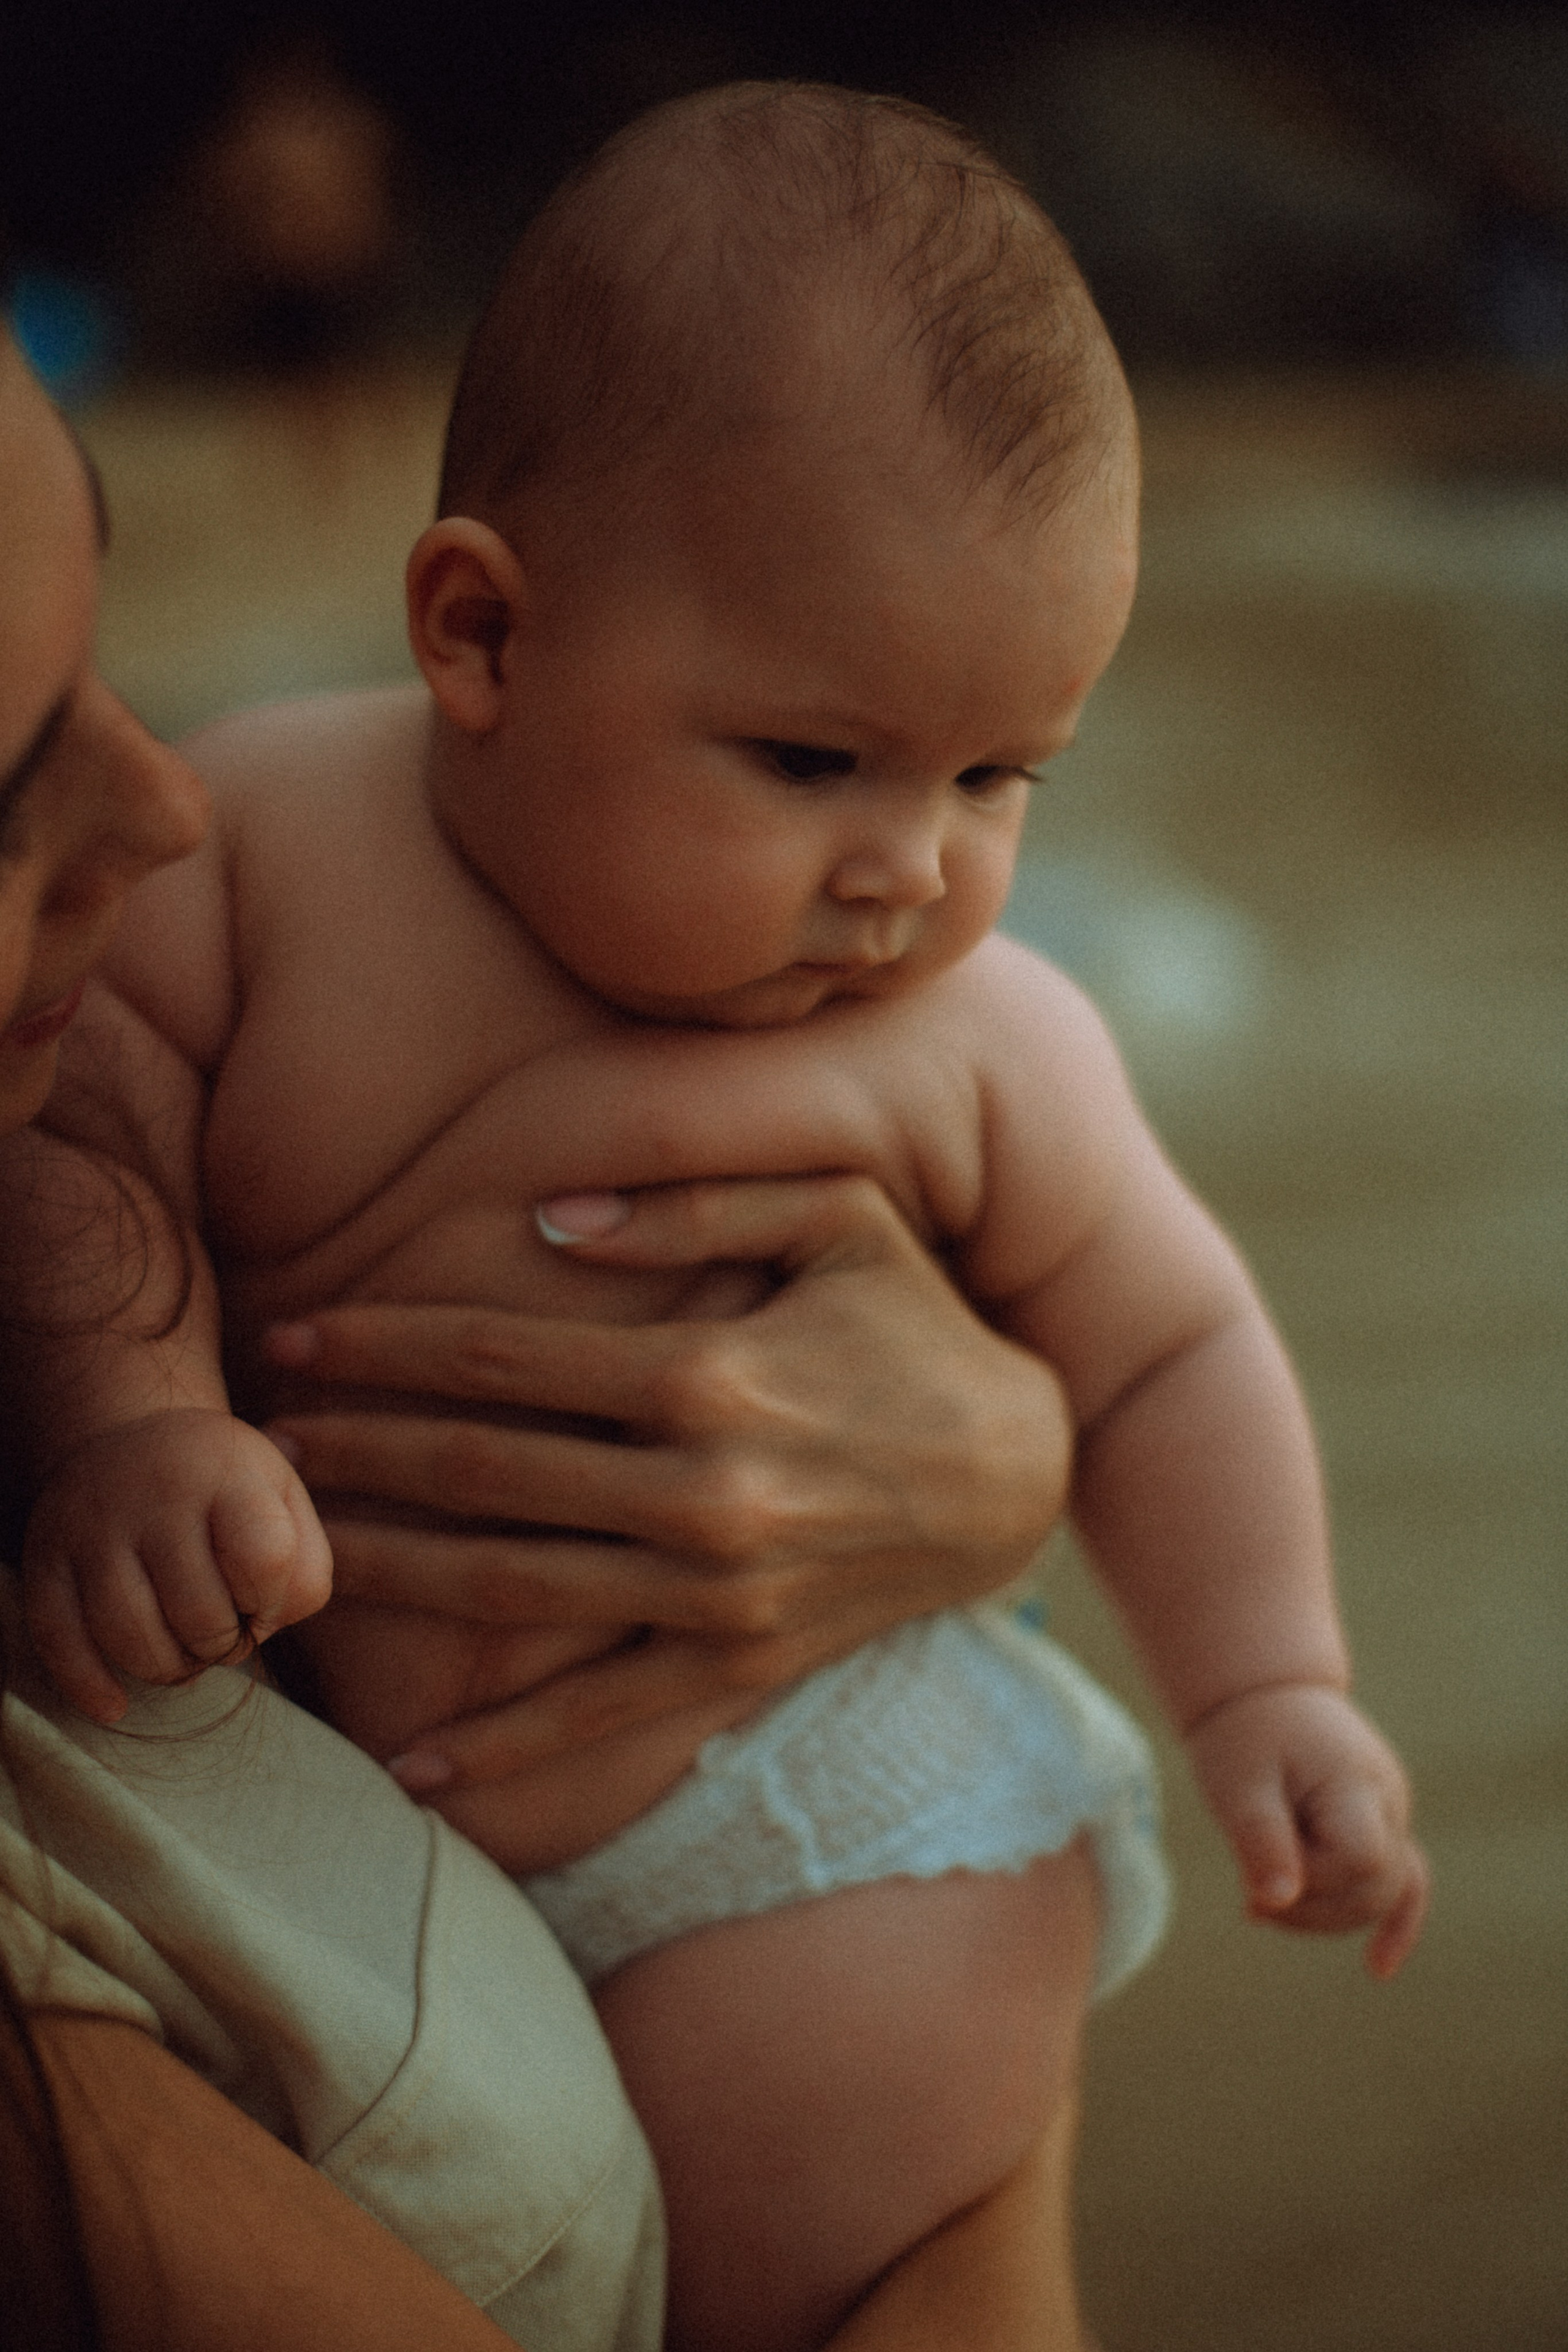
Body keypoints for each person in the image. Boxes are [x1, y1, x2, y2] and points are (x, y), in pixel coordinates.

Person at [6, 82, 1430, 2352]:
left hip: (813, 1826)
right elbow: (86, 1136)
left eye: (998, 777)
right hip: (383, 1838)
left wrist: (1272, 1684)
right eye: (812, 760)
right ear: (481, 638)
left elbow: (1170, 1342)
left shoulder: (994, 1044)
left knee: (788, 2274)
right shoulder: (268, 845)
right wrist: (135, 1420)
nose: (914, 869)